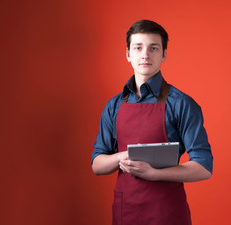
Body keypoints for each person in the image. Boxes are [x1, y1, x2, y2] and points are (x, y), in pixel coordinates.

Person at [91, 19, 213, 225]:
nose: (145, 54)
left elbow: (203, 167)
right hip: (126, 211)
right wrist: (125, 155)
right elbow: (97, 165)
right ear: (128, 54)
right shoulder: (113, 106)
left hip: (166, 213)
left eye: (153, 48)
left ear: (164, 54)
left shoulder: (182, 104)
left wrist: (153, 173)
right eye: (138, 48)